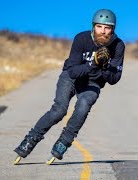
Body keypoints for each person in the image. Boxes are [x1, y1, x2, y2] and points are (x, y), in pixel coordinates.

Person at [13, 9, 125, 163]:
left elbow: (114, 78)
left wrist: (103, 68)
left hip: (93, 83)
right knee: (59, 111)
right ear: (93, 27)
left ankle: (63, 143)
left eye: (107, 28)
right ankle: (30, 140)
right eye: (99, 27)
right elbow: (72, 71)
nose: (103, 32)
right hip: (71, 78)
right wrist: (93, 64)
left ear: (113, 29)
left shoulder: (118, 46)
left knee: (83, 106)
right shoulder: (81, 38)